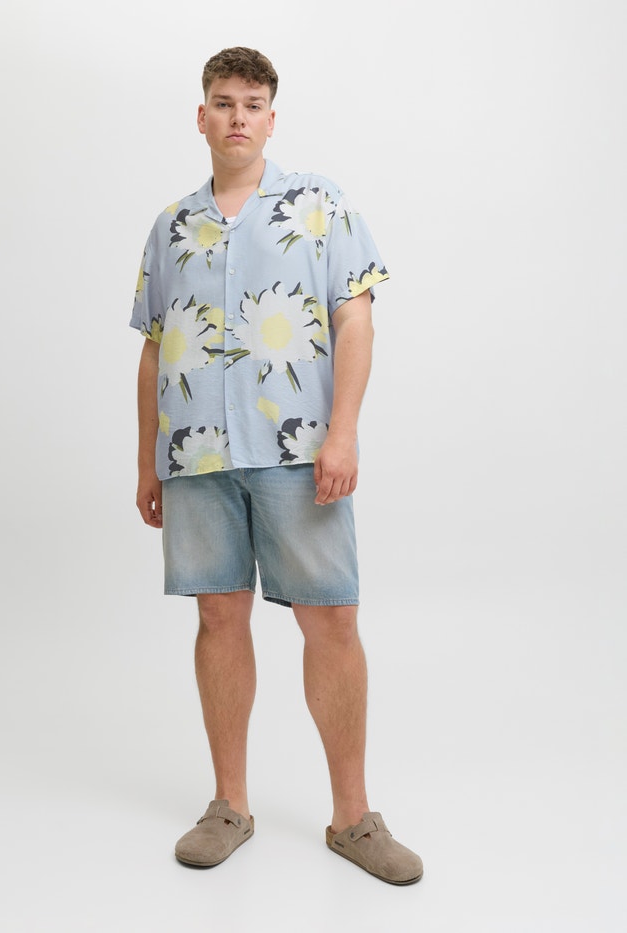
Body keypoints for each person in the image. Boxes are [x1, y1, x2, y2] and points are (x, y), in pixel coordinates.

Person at [130, 46, 422, 885]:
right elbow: (153, 349)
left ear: (271, 117)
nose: (238, 117)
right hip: (196, 456)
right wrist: (147, 459)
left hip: (299, 451)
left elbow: (356, 318)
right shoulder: (170, 227)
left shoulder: (319, 205)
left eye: (252, 104)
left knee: (331, 621)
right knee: (218, 618)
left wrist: (344, 433)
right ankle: (229, 804)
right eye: (223, 103)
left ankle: (353, 817)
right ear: (202, 116)